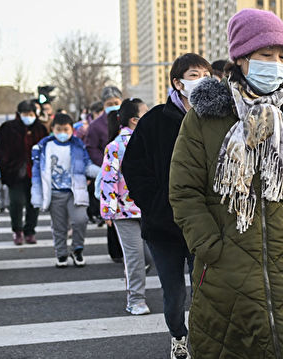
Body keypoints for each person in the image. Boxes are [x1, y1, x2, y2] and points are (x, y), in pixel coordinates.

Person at [167, 9, 283, 358]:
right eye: (266, 55)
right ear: (241, 58)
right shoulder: (204, 118)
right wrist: (210, 246)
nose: (277, 64)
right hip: (225, 271)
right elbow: (183, 191)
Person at [122, 52, 211, 359]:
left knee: (207, 292)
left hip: (204, 223)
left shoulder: (214, 118)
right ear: (178, 82)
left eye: (205, 74)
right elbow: (132, 167)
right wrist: (155, 202)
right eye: (194, 75)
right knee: (174, 295)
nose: (201, 81)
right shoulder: (155, 119)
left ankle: (203, 340)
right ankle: (178, 336)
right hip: (163, 226)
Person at [100, 98, 151, 315]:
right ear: (133, 120)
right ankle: (136, 300)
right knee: (135, 258)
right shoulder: (115, 146)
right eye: (144, 114)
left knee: (149, 256)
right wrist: (109, 212)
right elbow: (108, 180)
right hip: (124, 212)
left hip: (148, 209)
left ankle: (135, 287)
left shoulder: (148, 140)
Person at [31, 113, 99, 267]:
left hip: (76, 191)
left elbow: (87, 166)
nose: (62, 133)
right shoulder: (43, 147)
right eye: (59, 129)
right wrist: (36, 195)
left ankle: (77, 249)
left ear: (71, 130)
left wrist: (102, 172)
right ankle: (61, 253)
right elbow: (36, 173)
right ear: (53, 129)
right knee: (59, 226)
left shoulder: (78, 146)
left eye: (66, 130)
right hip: (55, 193)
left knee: (80, 220)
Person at [0, 100, 48, 245]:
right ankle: (17, 230)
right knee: (16, 202)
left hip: (35, 174)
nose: (28, 116)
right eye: (25, 114)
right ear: (19, 114)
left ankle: (30, 231)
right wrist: (5, 165)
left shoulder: (40, 129)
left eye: (31, 114)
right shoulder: (8, 128)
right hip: (15, 173)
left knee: (33, 204)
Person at [86, 86, 124, 262]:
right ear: (103, 105)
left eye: (116, 102)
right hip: (106, 167)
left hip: (124, 169)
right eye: (110, 104)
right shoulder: (95, 125)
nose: (114, 106)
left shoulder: (127, 118)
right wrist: (105, 162)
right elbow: (91, 148)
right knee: (112, 207)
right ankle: (115, 251)